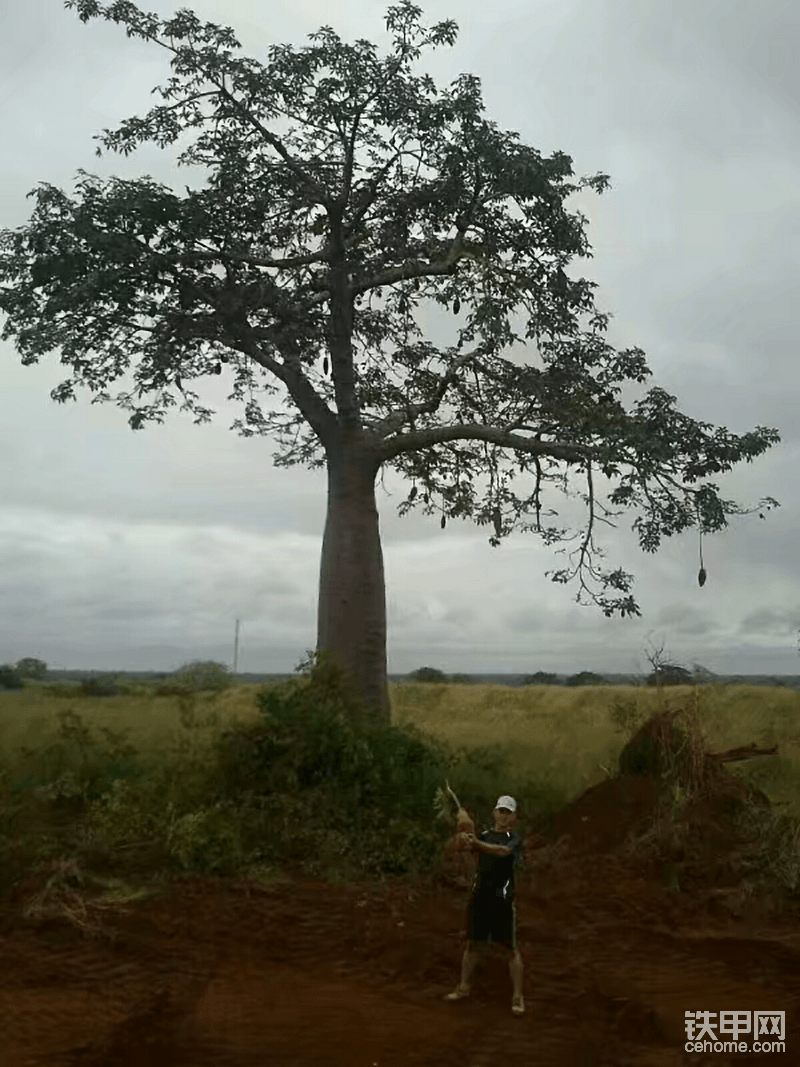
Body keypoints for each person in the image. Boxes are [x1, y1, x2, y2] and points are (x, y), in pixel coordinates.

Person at [444, 795, 525, 1015]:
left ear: (514, 817)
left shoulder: (514, 839)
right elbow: (464, 850)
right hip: (480, 897)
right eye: (500, 811)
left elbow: (502, 852)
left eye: (508, 812)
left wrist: (477, 843)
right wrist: (462, 834)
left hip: (503, 900)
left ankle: (517, 996)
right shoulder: (485, 835)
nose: (503, 815)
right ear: (494, 813)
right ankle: (463, 987)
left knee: (510, 949)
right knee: (472, 944)